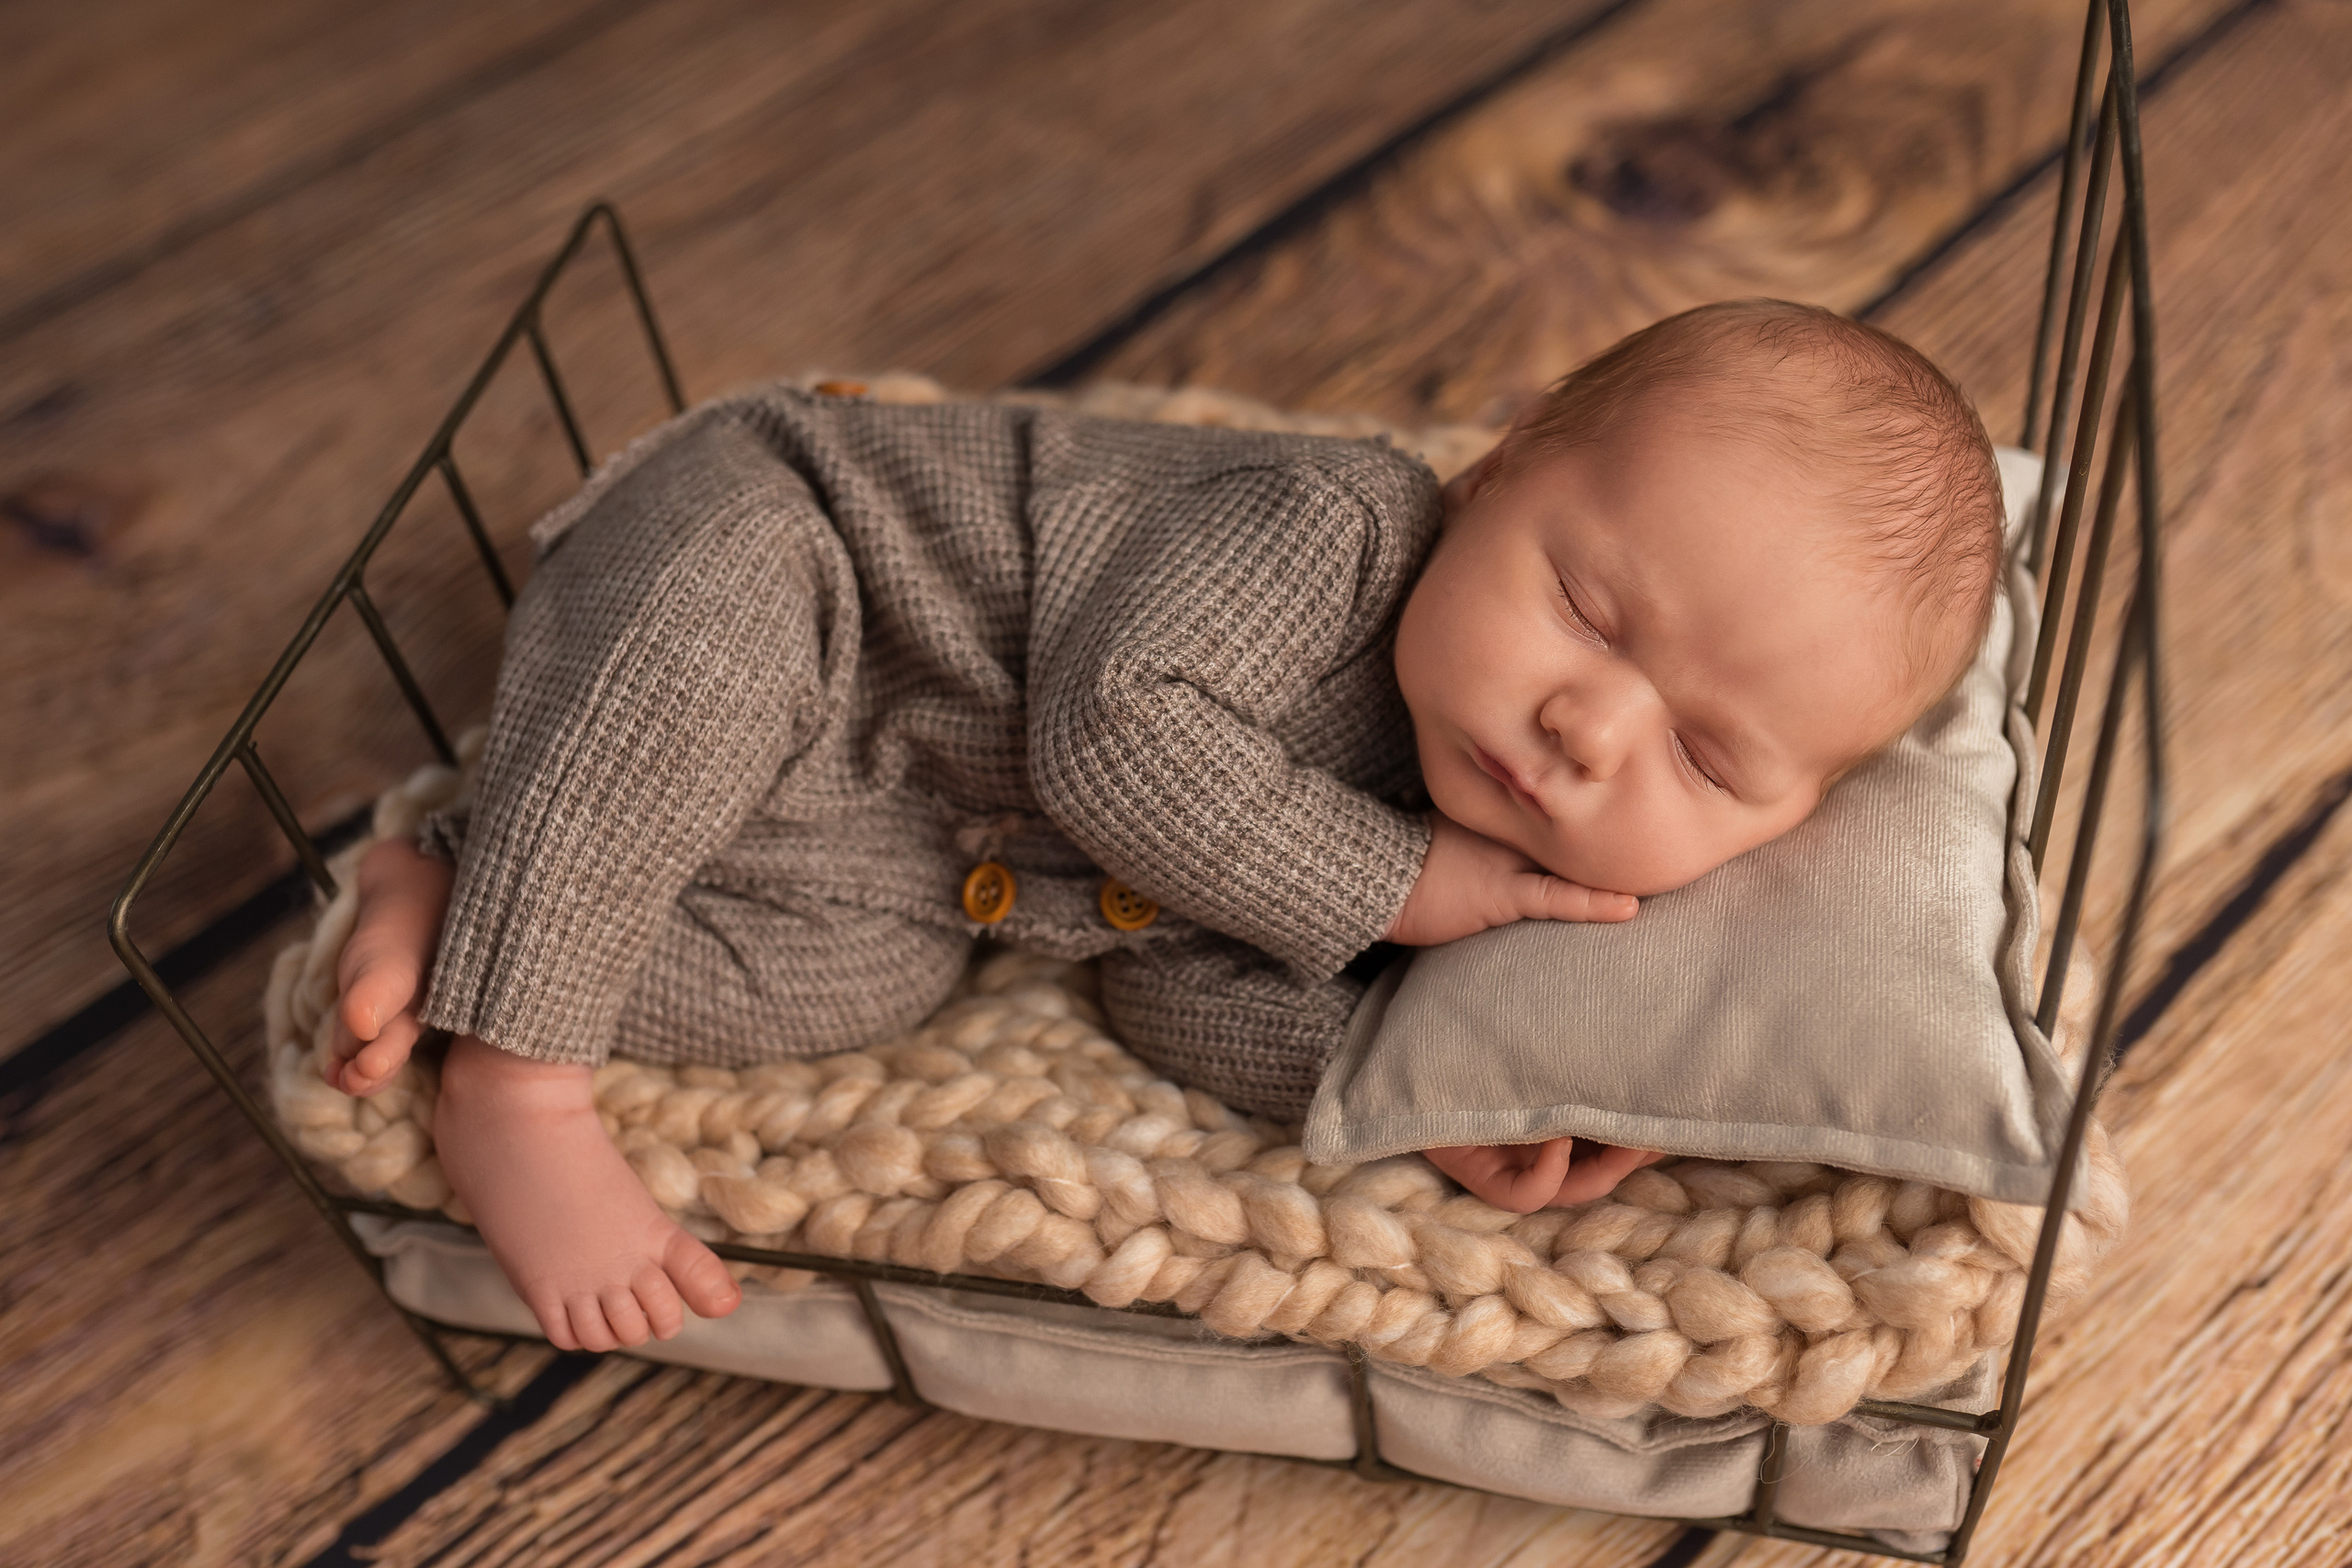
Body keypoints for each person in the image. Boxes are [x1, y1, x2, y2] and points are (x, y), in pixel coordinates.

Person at [325, 299, 2005, 1355]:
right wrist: (1401, 882)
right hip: (804, 570)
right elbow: (1116, 737)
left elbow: (1167, 980)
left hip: (911, 823)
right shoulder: (1333, 528)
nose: (1591, 728)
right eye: (1581, 605)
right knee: (682, 675)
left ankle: (464, 889)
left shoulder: (1468, 796)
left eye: (1707, 762)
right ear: (1489, 476)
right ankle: (515, 1083)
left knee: (852, 988)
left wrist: (1405, 1096)